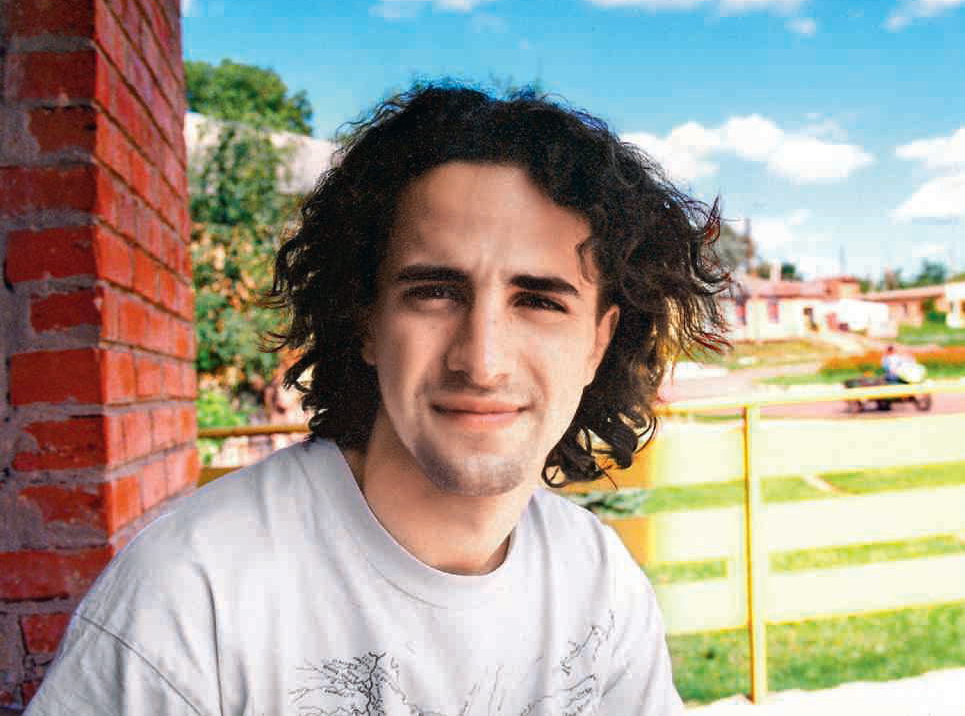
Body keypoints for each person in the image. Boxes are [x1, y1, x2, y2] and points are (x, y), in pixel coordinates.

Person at [27, 83, 729, 714]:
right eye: (434, 292)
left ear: (598, 343)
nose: (481, 360)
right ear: (365, 321)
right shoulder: (192, 597)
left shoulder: (600, 585)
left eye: (539, 301)